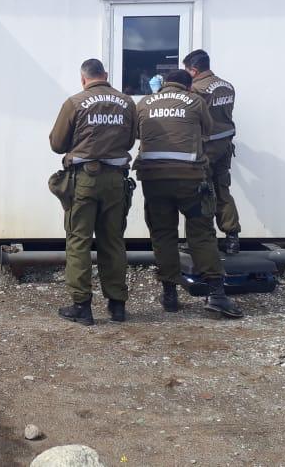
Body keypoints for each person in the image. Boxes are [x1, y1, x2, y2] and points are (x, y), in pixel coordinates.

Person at [133, 69, 243, 318]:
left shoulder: (144, 103)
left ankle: (170, 294)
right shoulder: (196, 101)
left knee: (163, 235)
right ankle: (216, 295)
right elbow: (208, 132)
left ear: (163, 85)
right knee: (201, 234)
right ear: (189, 84)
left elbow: (138, 133)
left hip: (154, 181)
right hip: (190, 180)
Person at [49, 58, 137, 325]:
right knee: (113, 241)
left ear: (83, 79)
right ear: (105, 75)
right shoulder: (127, 103)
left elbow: (57, 143)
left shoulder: (74, 103)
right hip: (115, 180)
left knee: (79, 241)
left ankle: (82, 308)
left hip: (84, 180)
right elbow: (131, 140)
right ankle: (117, 306)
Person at [185, 49, 242, 254]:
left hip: (207, 147)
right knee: (222, 189)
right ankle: (232, 237)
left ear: (193, 70)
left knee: (203, 193)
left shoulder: (198, 89)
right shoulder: (227, 86)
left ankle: (203, 241)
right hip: (225, 145)